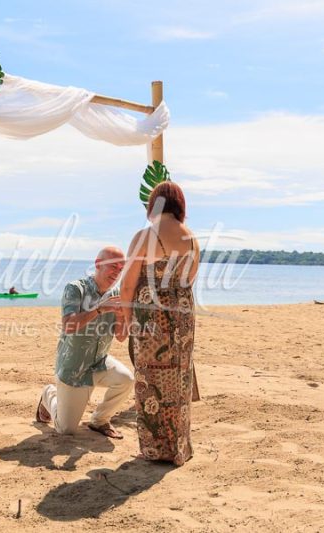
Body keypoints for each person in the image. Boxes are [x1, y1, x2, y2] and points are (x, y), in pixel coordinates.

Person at [119, 181, 199, 466]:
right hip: (184, 316)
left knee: (150, 379)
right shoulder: (192, 238)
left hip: (152, 317)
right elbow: (188, 281)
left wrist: (126, 319)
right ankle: (179, 447)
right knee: (180, 378)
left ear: (153, 205)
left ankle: (154, 449)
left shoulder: (145, 236)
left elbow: (128, 285)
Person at [36, 246, 134, 439]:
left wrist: (123, 316)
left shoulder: (117, 294)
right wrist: (100, 309)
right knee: (66, 429)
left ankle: (99, 420)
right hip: (74, 369)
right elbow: (69, 325)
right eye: (113, 266)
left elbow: (121, 336)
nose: (117, 272)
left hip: (99, 363)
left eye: (121, 268)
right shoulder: (75, 288)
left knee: (126, 380)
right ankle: (49, 394)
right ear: (98, 264)